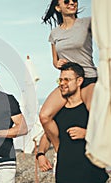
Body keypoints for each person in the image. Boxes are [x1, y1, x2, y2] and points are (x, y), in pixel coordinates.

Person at [37, 62, 108, 183]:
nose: (62, 83)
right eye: (60, 80)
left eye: (67, 80)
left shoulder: (90, 109)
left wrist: (86, 133)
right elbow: (47, 136)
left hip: (92, 179)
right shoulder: (57, 112)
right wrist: (40, 154)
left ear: (80, 81)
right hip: (65, 180)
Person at [39, 0, 97, 152]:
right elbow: (55, 60)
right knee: (45, 116)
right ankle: (60, 149)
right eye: (66, 1)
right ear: (58, 7)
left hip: (88, 77)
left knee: (95, 112)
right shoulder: (54, 34)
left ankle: (95, 142)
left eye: (74, 0)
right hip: (66, 82)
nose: (72, 3)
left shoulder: (87, 23)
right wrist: (57, 64)